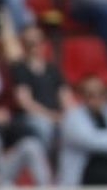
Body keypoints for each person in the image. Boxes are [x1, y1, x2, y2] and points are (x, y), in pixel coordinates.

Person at [10, 22, 71, 152]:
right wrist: (51, 116)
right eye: (29, 42)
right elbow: (25, 102)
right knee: (44, 126)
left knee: (75, 125)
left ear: (43, 43)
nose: (34, 46)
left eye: (37, 41)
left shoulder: (53, 70)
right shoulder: (19, 69)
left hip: (56, 115)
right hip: (32, 117)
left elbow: (66, 97)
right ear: (23, 44)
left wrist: (69, 115)